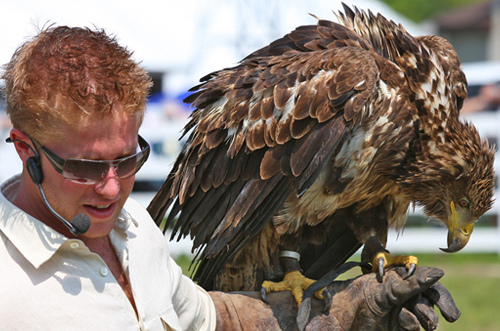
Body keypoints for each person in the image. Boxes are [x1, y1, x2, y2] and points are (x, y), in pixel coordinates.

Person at [0, 25, 459, 331]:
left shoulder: (135, 232)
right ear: (25, 149)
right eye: (85, 167)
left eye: (126, 159)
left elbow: (212, 318)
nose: (113, 187)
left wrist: (347, 311)